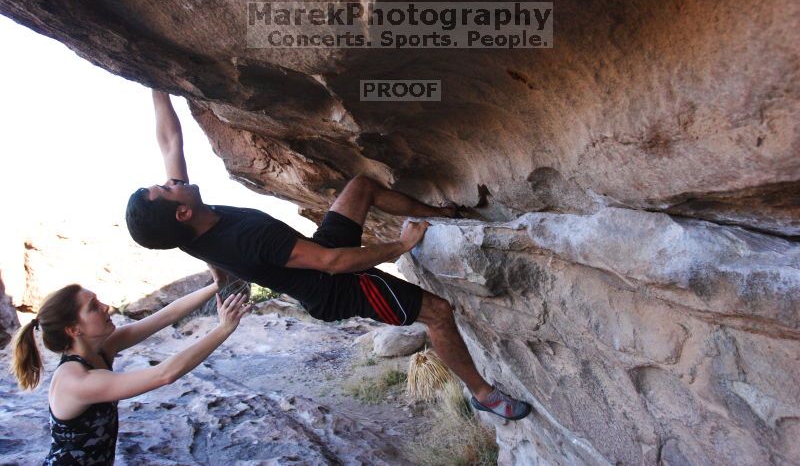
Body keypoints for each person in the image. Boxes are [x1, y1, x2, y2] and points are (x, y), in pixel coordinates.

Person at [125, 89, 531, 421]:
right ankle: (482, 394)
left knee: (361, 186)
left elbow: (169, 141)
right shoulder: (246, 239)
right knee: (437, 312)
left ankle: (443, 215)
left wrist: (154, 83)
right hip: (335, 286)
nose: (170, 180)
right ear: (181, 211)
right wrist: (400, 246)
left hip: (322, 254)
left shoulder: (185, 226)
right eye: (166, 188)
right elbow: (333, 264)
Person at [10, 276, 251, 464]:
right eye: (93, 307)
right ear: (74, 330)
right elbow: (164, 374)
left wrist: (215, 285)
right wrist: (223, 329)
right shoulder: (76, 381)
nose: (105, 307)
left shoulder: (102, 349)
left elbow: (165, 316)